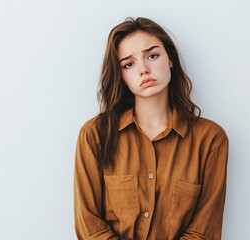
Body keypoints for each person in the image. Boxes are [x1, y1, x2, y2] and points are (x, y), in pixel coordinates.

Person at [74, 17, 228, 240]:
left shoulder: (211, 140)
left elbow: (204, 231)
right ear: (122, 76)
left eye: (152, 56)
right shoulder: (95, 135)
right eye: (129, 64)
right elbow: (90, 227)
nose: (143, 70)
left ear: (170, 60)